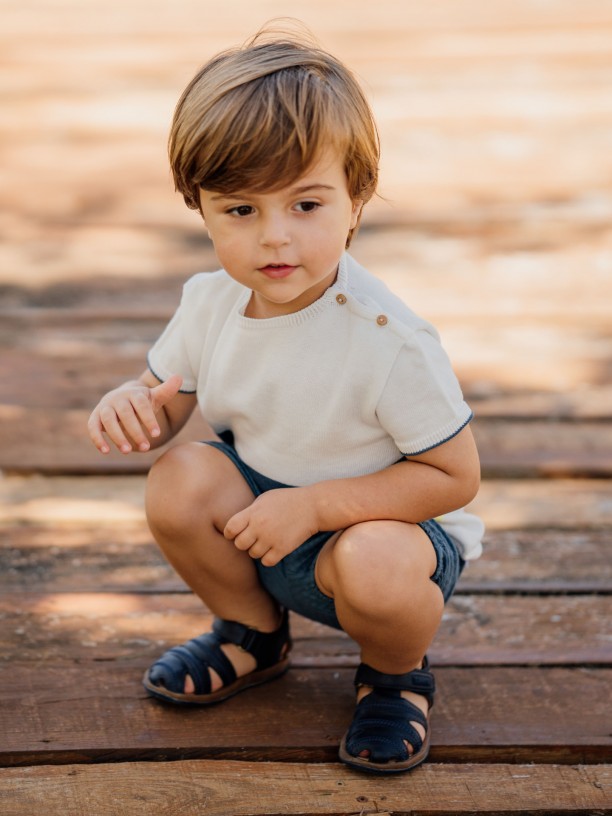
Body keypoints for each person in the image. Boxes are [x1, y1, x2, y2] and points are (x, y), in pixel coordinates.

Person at [87, 24, 484, 774]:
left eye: (307, 205)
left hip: (385, 536)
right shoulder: (211, 302)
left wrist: (314, 507)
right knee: (178, 480)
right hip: (262, 521)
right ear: (198, 208)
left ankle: (396, 677)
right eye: (241, 211)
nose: (276, 239)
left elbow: (452, 478)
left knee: (373, 561)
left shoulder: (387, 339)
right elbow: (165, 400)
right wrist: (131, 404)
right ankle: (252, 634)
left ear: (357, 199)